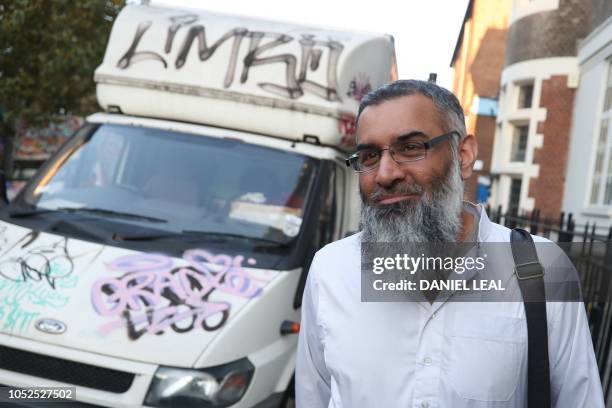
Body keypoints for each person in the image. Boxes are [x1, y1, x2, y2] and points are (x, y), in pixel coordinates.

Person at [295, 80, 604, 407]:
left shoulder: (542, 270)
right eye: (369, 156)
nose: (385, 174)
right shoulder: (330, 270)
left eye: (412, 147)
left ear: (464, 155)